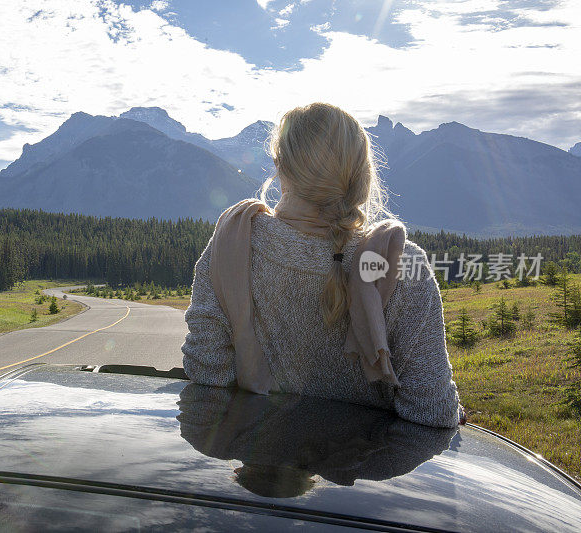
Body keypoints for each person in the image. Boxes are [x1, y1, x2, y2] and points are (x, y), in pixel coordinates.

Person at [181, 102, 464, 428]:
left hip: (260, 465)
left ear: (278, 165)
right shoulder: (400, 264)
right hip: (366, 473)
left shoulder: (232, 242)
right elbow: (431, 412)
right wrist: (452, 412)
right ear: (362, 176)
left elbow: (206, 372)